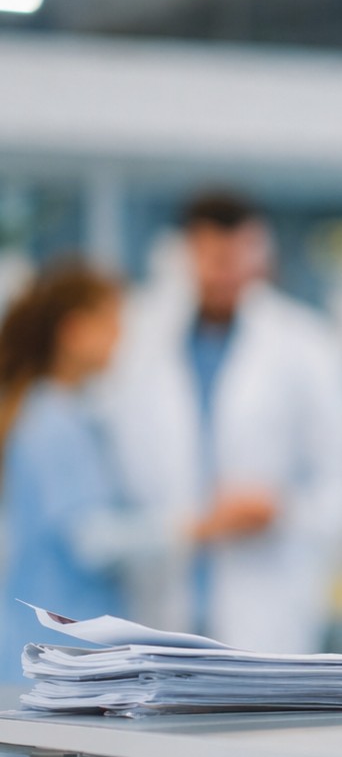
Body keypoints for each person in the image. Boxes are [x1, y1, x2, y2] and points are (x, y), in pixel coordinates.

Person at [102, 192, 342, 652]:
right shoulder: (141, 344)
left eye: (237, 255)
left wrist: (280, 509)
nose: (223, 271)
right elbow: (118, 477)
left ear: (259, 254)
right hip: (161, 602)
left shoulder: (306, 345)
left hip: (266, 606)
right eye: (211, 256)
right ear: (185, 253)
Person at [0, 262, 272, 678]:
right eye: (112, 324)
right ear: (75, 332)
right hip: (53, 651)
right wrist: (201, 525)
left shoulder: (74, 414)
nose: (121, 337)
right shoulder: (51, 422)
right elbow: (90, 539)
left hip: (70, 646)